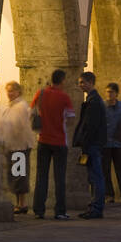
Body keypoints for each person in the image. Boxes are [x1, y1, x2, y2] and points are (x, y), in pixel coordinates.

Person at [30, 69, 75, 220]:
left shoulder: (40, 93)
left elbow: (32, 112)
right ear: (62, 80)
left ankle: (39, 210)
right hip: (59, 141)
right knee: (59, 177)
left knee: (41, 176)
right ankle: (60, 211)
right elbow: (70, 118)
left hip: (43, 139)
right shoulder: (64, 97)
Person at [0, 81, 35, 214]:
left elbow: (19, 127)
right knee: (15, 174)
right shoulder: (11, 106)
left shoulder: (21, 106)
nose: (9, 93)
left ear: (18, 91)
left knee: (20, 174)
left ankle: (22, 203)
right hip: (12, 146)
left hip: (20, 146)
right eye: (8, 90)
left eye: (12, 90)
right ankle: (19, 202)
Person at [73, 71, 108, 219]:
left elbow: (90, 125)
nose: (80, 85)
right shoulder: (93, 100)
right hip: (93, 143)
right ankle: (94, 206)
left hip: (92, 144)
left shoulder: (94, 101)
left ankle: (96, 207)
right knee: (94, 176)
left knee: (96, 176)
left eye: (83, 82)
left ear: (91, 83)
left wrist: (85, 142)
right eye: (80, 82)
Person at [101, 82, 121, 206]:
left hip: (118, 143)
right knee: (106, 171)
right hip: (105, 143)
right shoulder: (102, 106)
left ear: (116, 93)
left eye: (111, 92)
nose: (109, 94)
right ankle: (109, 195)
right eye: (107, 91)